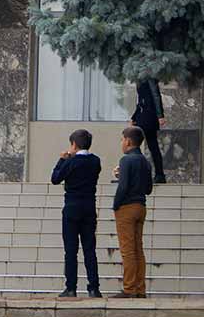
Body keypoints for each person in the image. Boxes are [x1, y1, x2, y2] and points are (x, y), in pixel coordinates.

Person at [51, 129, 102, 298]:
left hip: (72, 207)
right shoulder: (96, 161)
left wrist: (62, 160)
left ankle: (71, 287)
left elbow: (55, 179)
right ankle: (94, 288)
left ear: (73, 144)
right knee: (89, 249)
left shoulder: (70, 162)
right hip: (89, 207)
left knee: (71, 251)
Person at [112, 126, 153, 298]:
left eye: (122, 139)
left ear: (128, 141)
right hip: (141, 206)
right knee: (138, 249)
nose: (122, 143)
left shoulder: (126, 160)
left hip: (127, 207)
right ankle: (140, 288)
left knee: (127, 250)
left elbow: (123, 187)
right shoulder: (145, 161)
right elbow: (148, 189)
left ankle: (129, 289)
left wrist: (116, 205)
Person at [132, 78, 167, 183]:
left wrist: (160, 115)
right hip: (142, 115)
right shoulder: (140, 77)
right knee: (149, 145)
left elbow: (156, 95)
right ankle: (158, 174)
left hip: (148, 116)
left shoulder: (149, 76)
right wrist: (134, 117)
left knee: (149, 145)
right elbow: (140, 101)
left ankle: (158, 174)